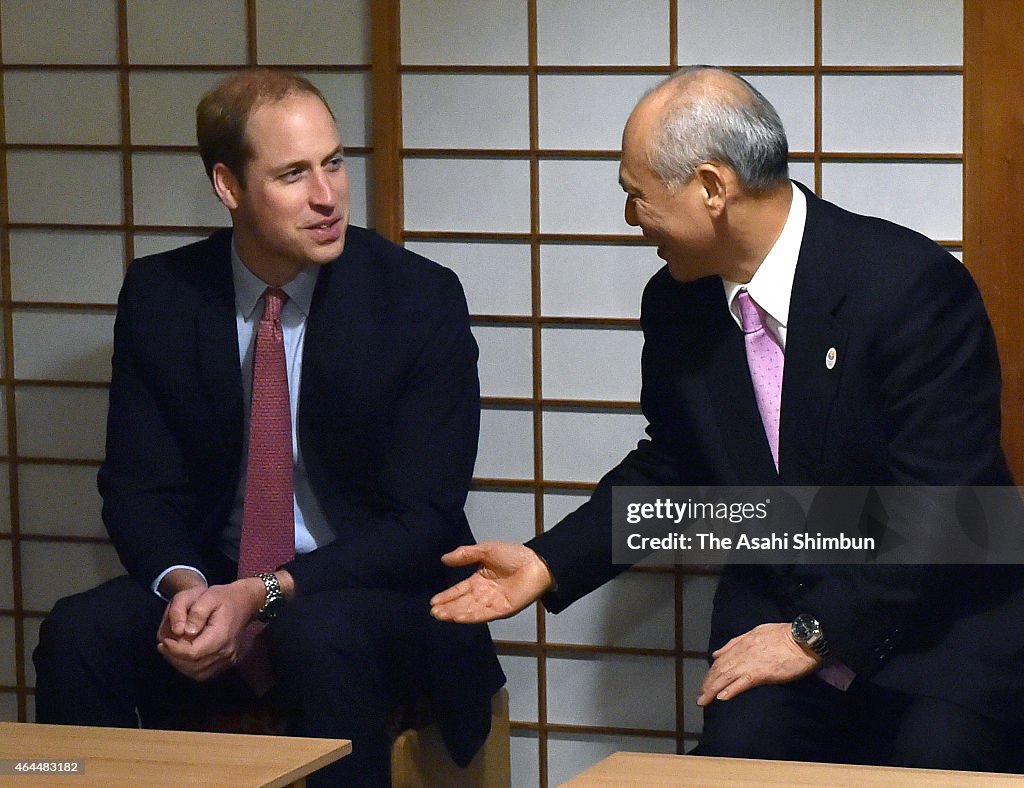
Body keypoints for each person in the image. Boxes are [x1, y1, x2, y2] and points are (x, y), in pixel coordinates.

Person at [431, 66, 1024, 771]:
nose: (631, 219)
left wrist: (813, 635)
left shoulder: (908, 287)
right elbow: (677, 464)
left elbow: (943, 510)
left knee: (937, 756)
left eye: (637, 196)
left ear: (713, 188)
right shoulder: (678, 302)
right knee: (735, 757)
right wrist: (549, 560)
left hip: (935, 625)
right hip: (777, 603)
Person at [33, 68, 504, 787]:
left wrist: (267, 592)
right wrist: (189, 590)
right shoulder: (163, 296)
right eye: (292, 174)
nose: (327, 196)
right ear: (228, 186)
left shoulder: (416, 298)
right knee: (78, 630)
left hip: (375, 598)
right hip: (219, 584)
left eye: (334, 163)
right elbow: (137, 488)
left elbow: (425, 520)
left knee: (317, 635)